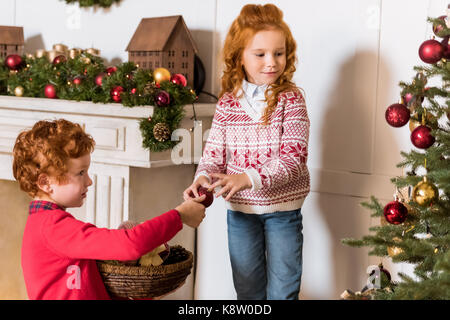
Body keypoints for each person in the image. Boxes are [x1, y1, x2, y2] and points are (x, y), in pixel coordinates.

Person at [184, 4, 310, 300]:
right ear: (239, 56)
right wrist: (202, 178)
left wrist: (246, 178)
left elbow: (293, 158)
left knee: (284, 289)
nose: (271, 62)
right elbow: (213, 152)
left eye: (278, 53)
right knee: (247, 290)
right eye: (260, 54)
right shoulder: (229, 103)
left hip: (283, 211)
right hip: (240, 212)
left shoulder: (291, 100)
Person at [13, 118, 206, 300]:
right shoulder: (52, 227)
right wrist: (179, 216)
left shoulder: (51, 224)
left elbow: (89, 286)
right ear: (45, 182)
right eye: (80, 173)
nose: (89, 181)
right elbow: (130, 245)